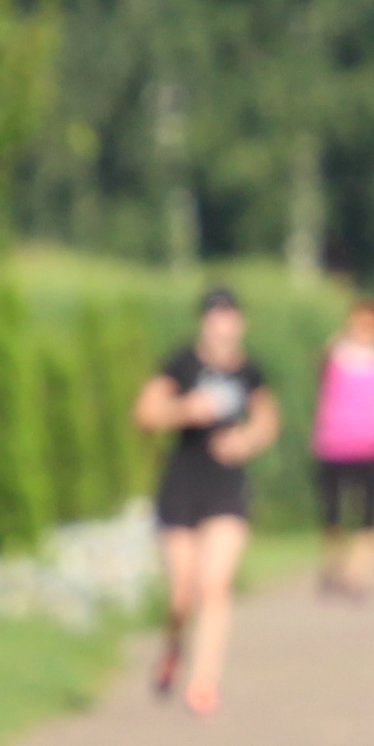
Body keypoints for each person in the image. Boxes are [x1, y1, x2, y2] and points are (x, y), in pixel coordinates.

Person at [136, 288, 278, 714]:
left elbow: (268, 421)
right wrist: (184, 410)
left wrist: (246, 439)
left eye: (230, 316)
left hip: (225, 486)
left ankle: (204, 680)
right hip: (182, 482)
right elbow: (145, 414)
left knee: (214, 585)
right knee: (183, 592)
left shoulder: (249, 371)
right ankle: (174, 646)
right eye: (215, 316)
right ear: (204, 322)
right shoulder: (182, 364)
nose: (223, 325)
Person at [310, 303, 374, 601]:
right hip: (333, 445)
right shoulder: (336, 359)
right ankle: (333, 566)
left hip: (371, 448)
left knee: (370, 516)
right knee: (333, 516)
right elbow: (320, 362)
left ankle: (360, 574)